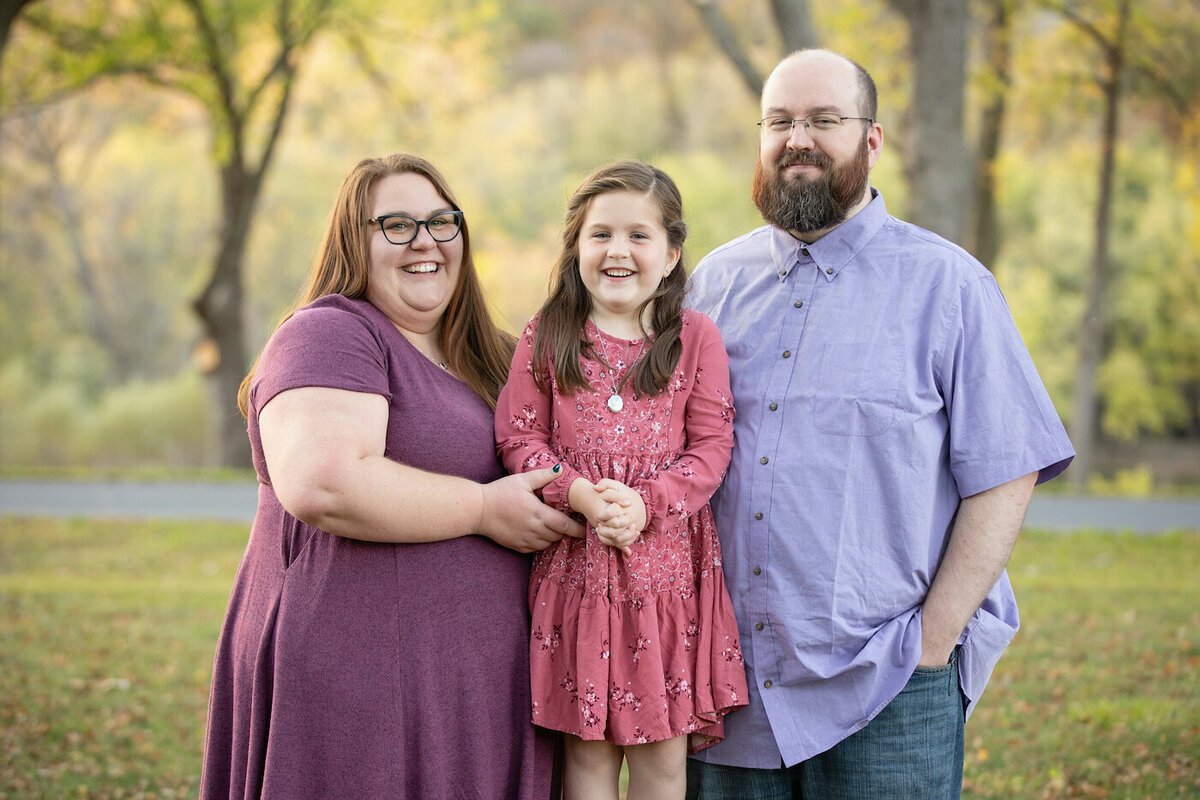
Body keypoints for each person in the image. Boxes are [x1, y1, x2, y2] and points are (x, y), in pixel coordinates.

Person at [685, 50, 1076, 799]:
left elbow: (1006, 471)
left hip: (888, 688)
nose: (798, 137)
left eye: (825, 120)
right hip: (731, 692)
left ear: (872, 140)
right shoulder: (711, 285)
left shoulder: (949, 285)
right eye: (779, 121)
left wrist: (934, 641)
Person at [199, 153, 583, 800]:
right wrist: (484, 510)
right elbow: (324, 483)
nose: (426, 241)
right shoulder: (332, 333)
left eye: (442, 221)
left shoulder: (493, 353)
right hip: (364, 694)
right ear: (355, 239)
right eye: (397, 225)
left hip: (480, 695)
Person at [495, 161, 748, 800]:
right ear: (577, 248)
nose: (618, 250)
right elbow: (519, 437)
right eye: (600, 234)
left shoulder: (693, 338)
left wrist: (648, 503)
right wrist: (575, 492)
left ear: (670, 254)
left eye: (639, 235)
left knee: (663, 758)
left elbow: (711, 447)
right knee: (587, 757)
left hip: (665, 580)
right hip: (577, 576)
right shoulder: (548, 335)